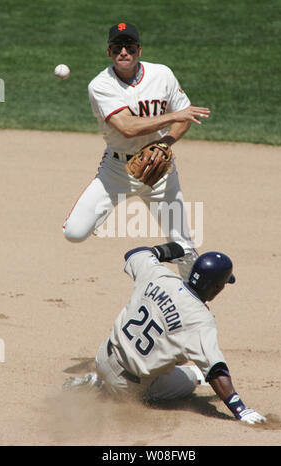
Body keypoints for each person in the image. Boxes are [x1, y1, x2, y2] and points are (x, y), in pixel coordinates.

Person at [62, 22, 211, 281]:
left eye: (129, 46)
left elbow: (185, 117)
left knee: (184, 246)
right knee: (74, 233)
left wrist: (165, 144)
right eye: (117, 47)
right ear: (109, 52)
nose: (123, 52)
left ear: (139, 50)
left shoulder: (162, 74)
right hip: (116, 171)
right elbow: (128, 127)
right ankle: (104, 215)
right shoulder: (100, 85)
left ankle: (196, 304)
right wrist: (174, 115)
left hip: (160, 170)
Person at [63, 242, 267, 425]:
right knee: (193, 378)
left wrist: (171, 249)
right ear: (216, 288)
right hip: (127, 386)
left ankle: (98, 381)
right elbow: (216, 371)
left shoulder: (160, 276)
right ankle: (105, 389)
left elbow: (134, 253)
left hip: (103, 357)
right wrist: (240, 410)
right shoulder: (200, 321)